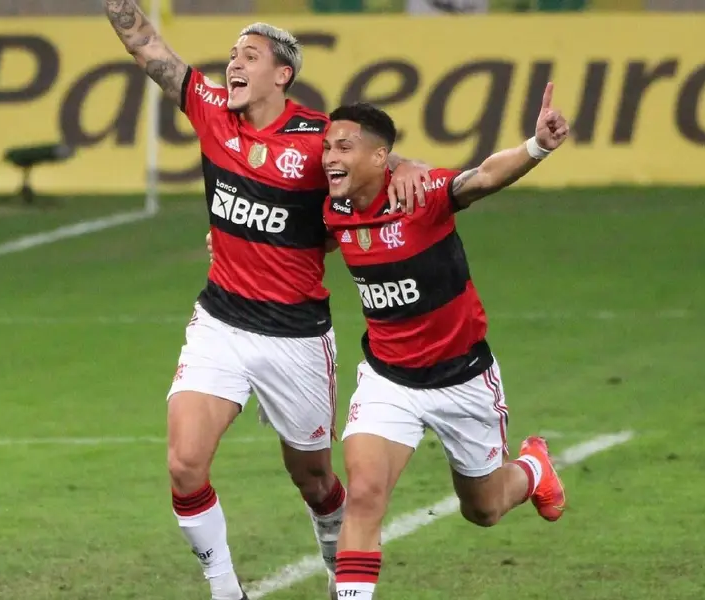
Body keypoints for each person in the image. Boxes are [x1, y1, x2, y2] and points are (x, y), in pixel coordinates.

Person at [99, 3, 432, 598]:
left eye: (248, 56)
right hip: (221, 320)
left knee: (314, 478)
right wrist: (122, 10)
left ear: (282, 74)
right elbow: (149, 48)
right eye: (231, 55)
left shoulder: (315, 137)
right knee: (184, 463)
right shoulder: (210, 112)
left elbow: (368, 158)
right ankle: (226, 590)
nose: (233, 64)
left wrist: (407, 165)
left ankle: (337, 560)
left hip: (296, 335)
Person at [208, 86, 571, 600]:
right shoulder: (332, 209)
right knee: (365, 496)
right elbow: (275, 222)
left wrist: (536, 146)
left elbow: (483, 176)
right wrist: (225, 240)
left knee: (484, 508)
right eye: (328, 147)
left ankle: (533, 468)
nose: (330, 156)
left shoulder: (419, 196)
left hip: (462, 377)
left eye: (344, 147)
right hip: (387, 379)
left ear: (379, 157)